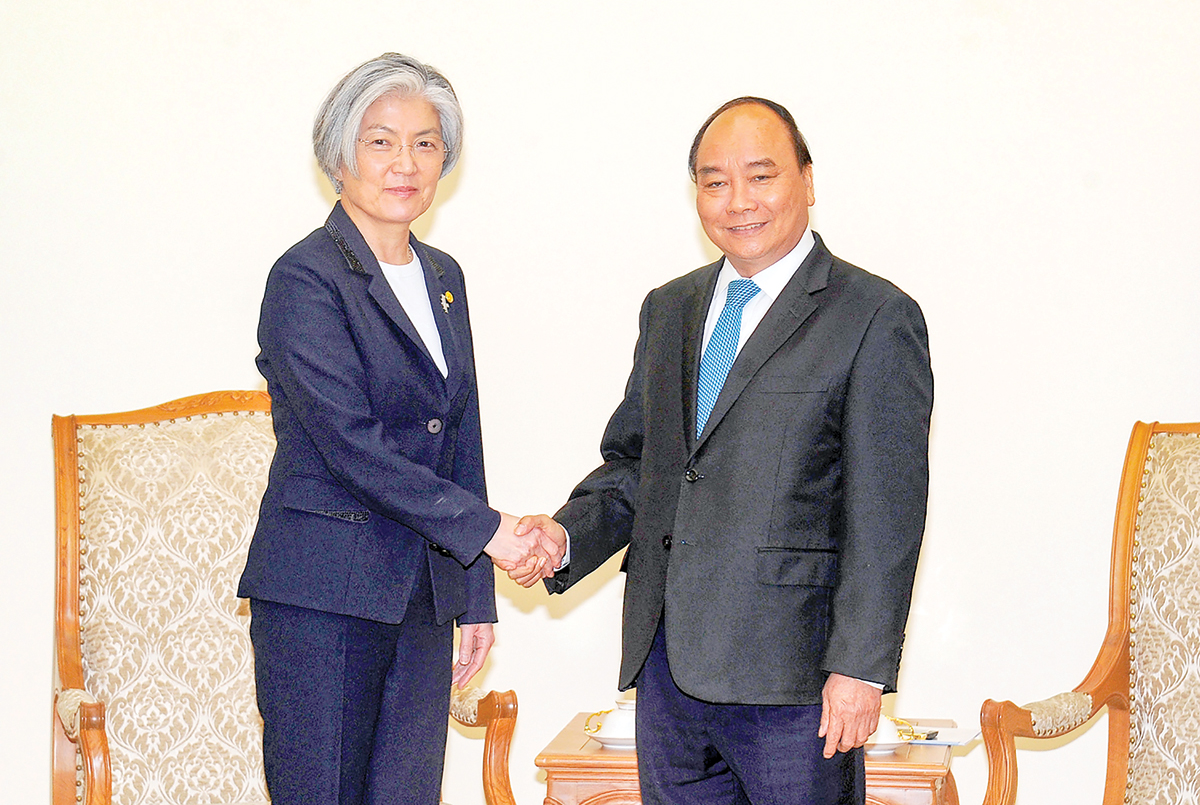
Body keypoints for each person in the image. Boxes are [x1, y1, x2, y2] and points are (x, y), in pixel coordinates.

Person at [512, 97, 933, 804]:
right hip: (668, 669)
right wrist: (565, 536)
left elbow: (886, 514)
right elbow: (641, 465)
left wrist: (860, 669)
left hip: (795, 682)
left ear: (807, 180)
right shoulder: (669, 308)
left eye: (761, 176)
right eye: (715, 182)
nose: (738, 200)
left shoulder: (875, 316)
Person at [237, 53, 560, 805]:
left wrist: (473, 596)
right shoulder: (305, 277)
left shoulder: (444, 276)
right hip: (323, 595)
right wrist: (492, 533)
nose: (405, 163)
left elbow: (459, 435)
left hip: (420, 595)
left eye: (425, 143)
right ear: (339, 155)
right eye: (381, 142)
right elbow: (350, 445)